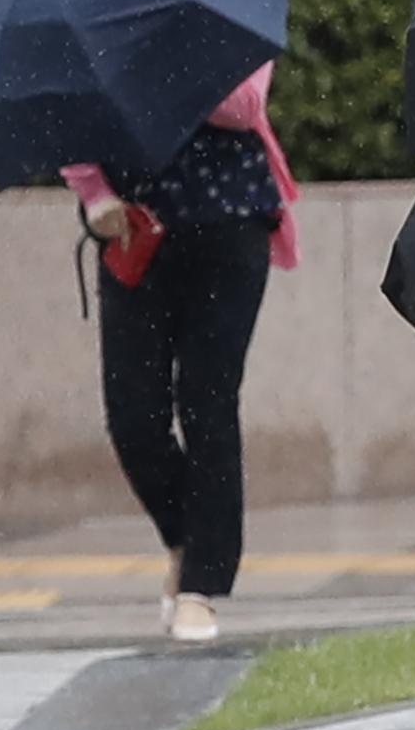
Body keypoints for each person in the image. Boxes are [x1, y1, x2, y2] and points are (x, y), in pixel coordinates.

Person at [63, 62, 299, 645]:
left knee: (207, 402)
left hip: (229, 224)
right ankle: (185, 538)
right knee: (133, 416)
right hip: (135, 228)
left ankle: (202, 584)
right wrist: (93, 193)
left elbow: (244, 105)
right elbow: (69, 109)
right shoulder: (103, 14)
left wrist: (152, 67)